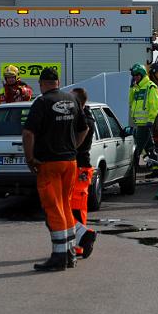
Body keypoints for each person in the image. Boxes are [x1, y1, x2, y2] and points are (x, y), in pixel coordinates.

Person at [23, 67, 96, 272]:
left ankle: (58, 257)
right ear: (58, 82)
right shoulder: (71, 100)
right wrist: (73, 147)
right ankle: (70, 253)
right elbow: (84, 128)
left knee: (53, 208)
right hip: (70, 162)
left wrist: (30, 159)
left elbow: (28, 133)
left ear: (41, 83)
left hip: (49, 162)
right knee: (65, 206)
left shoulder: (42, 102)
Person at [69, 87, 96, 257]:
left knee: (75, 208)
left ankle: (82, 240)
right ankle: (78, 243)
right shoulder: (83, 117)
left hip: (80, 168)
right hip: (80, 167)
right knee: (76, 208)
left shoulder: (85, 120)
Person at [129, 63, 158, 170]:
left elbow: (154, 105)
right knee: (150, 147)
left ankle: (132, 169)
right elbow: (131, 102)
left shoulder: (150, 87)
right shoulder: (137, 87)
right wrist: (131, 88)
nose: (135, 77)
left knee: (137, 148)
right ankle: (157, 169)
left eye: (137, 75)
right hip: (140, 123)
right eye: (134, 75)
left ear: (142, 75)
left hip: (146, 124)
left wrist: (151, 120)